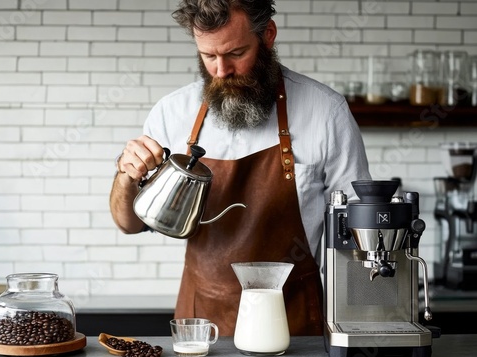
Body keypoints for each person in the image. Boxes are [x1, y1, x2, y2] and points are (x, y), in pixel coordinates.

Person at [109, 0, 371, 336]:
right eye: (208, 56)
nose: (220, 70)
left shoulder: (325, 112)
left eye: (235, 53)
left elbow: (357, 231)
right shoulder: (172, 113)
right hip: (200, 326)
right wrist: (126, 175)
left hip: (293, 323)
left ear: (268, 36)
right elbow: (129, 224)